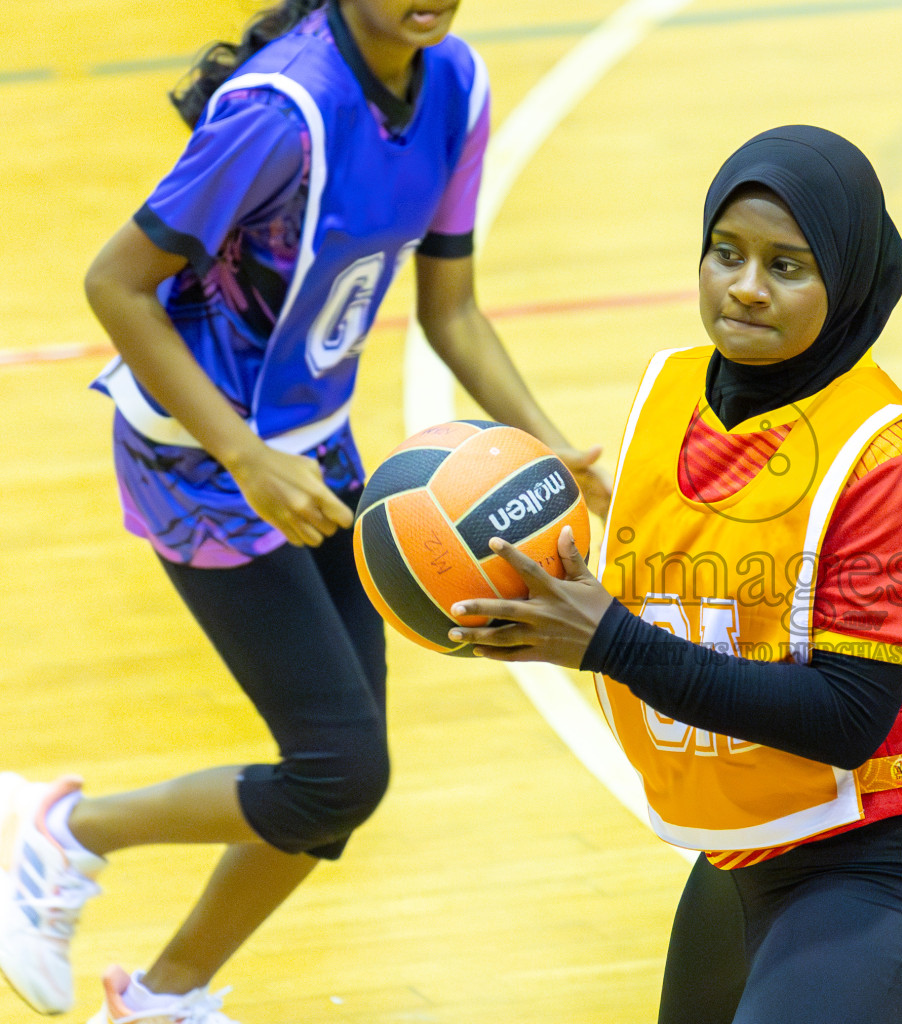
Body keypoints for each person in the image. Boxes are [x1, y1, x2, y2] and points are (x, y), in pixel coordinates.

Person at [0, 2, 609, 1022]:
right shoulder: (280, 115)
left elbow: (450, 309)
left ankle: (160, 998)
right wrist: (242, 456)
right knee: (339, 769)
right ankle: (64, 829)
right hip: (198, 461)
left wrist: (547, 440)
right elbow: (115, 285)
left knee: (338, 777)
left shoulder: (455, 84)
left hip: (315, 449)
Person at [448, 125, 902, 1024]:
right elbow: (670, 623)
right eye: (726, 253)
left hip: (881, 861)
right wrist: (538, 614)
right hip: (743, 852)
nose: (745, 287)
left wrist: (606, 642)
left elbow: (845, 719)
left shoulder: (893, 464)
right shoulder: (670, 391)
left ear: (848, 282)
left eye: (787, 266)